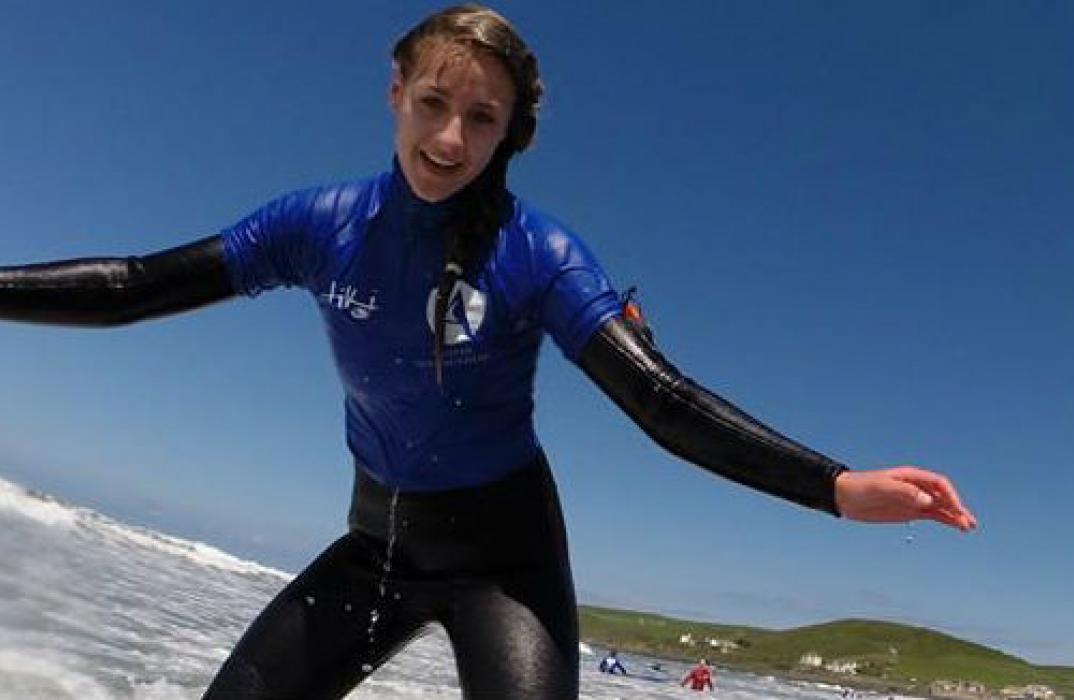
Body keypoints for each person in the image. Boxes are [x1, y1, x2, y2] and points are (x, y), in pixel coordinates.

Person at [0, 5, 977, 699]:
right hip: (377, 544)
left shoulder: (540, 255)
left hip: (507, 565)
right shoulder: (317, 225)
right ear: (395, 94)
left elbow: (660, 403)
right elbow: (134, 286)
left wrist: (839, 486)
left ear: (510, 135)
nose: (450, 136)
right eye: (434, 103)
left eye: (482, 119)